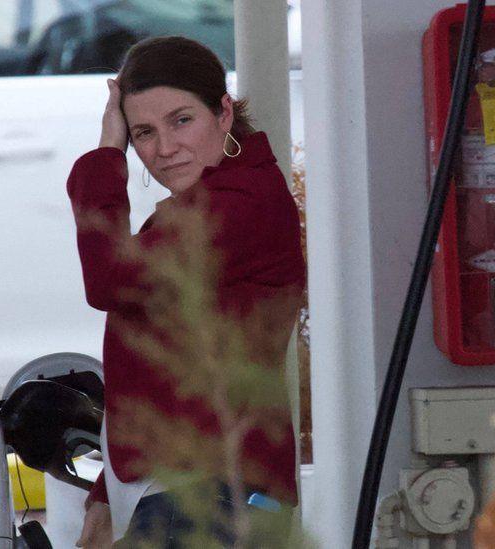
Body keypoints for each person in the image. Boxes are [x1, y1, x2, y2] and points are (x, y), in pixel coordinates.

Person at [66, 36, 306, 547]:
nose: (165, 148)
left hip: (214, 490)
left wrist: (108, 151)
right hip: (192, 484)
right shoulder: (211, 200)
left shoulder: (238, 204)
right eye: (143, 133)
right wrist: (109, 493)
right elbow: (163, 360)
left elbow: (109, 278)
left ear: (223, 112)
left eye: (181, 120)